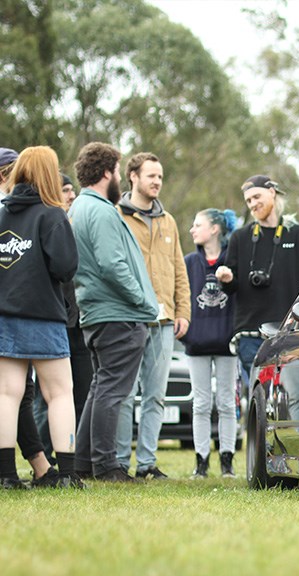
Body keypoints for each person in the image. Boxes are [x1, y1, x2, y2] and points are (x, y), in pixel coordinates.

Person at [70, 142, 159, 483]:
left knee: (99, 388)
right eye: (118, 171)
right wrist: (143, 302)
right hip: (117, 313)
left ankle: (83, 462)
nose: (119, 177)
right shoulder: (102, 210)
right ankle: (106, 466)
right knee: (112, 391)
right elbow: (112, 264)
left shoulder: (78, 207)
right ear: (106, 172)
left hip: (96, 313)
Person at [0, 146, 83, 489]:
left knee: (7, 394)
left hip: (4, 315)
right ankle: (66, 474)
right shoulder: (52, 215)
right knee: (60, 393)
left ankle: (5, 476)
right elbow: (66, 268)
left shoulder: (1, 215)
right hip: (44, 316)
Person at [115, 152, 191, 480]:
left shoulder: (168, 221)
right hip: (128, 319)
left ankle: (147, 463)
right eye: (151, 176)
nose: (157, 181)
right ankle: (118, 462)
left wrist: (183, 311)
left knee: (155, 396)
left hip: (163, 323)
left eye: (160, 176)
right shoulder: (116, 216)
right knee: (124, 394)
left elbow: (179, 271)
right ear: (133, 176)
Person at [215, 175, 299, 388]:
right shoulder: (240, 238)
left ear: (272, 192)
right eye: (248, 200)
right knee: (258, 399)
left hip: (290, 334)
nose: (253, 204)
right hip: (250, 334)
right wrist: (226, 277)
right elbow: (230, 287)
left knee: (294, 396)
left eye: (256, 197)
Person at [32, 173, 93, 467]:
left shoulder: (74, 223)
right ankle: (45, 455)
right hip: (54, 320)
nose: (71, 195)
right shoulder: (48, 221)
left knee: (81, 389)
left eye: (72, 190)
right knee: (46, 397)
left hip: (79, 321)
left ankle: (76, 455)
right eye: (65, 190)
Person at [183, 208, 239, 478]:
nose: (193, 230)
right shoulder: (190, 263)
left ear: (215, 229)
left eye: (198, 224)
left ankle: (227, 462)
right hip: (197, 342)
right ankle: (201, 462)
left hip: (227, 342)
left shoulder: (233, 260)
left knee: (227, 402)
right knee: (201, 404)